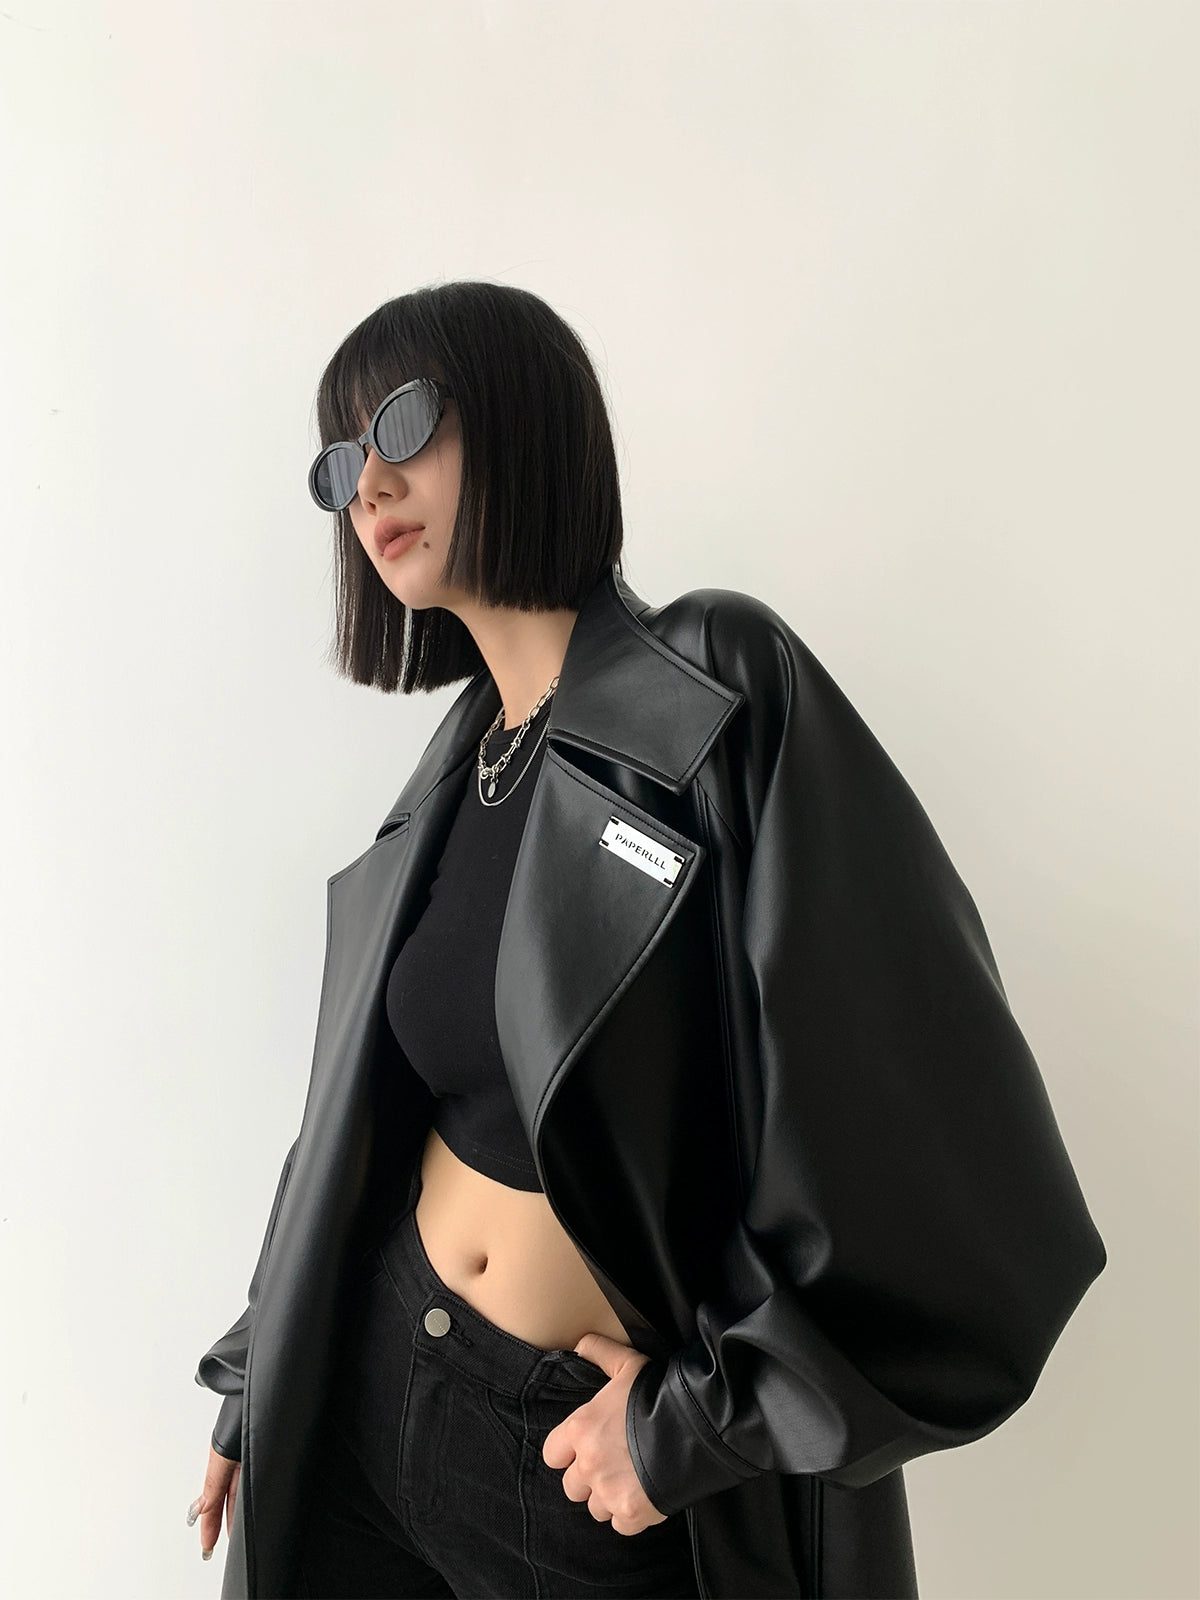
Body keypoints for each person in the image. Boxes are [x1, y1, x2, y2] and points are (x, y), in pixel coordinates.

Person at [189, 281, 1106, 1599]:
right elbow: (350, 1117)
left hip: (581, 1461)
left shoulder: (713, 687)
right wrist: (257, 1370)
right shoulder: (458, 768)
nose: (369, 481)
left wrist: (695, 1427)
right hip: (369, 1401)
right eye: (339, 459)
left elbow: (943, 1147)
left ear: (523, 415)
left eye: (404, 422)